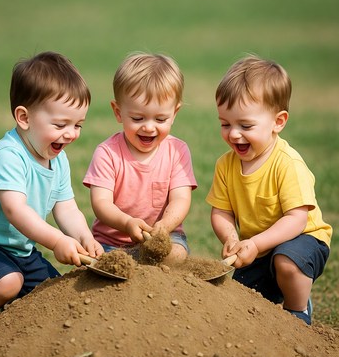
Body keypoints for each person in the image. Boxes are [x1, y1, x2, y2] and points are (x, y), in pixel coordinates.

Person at [0, 51, 103, 337]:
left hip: (20, 250)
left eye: (78, 125)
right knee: (8, 282)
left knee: (54, 295)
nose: (70, 134)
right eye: (60, 125)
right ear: (24, 117)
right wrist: (57, 240)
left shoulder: (58, 160)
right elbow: (14, 210)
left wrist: (84, 238)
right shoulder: (8, 155)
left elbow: (66, 208)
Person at [206, 55, 332, 325]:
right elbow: (221, 212)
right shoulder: (225, 165)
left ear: (278, 122)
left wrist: (256, 243)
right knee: (241, 297)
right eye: (225, 124)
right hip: (257, 247)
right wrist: (230, 237)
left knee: (286, 261)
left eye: (246, 126)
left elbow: (296, 220)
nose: (234, 134)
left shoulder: (287, 164)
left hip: (303, 239)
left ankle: (299, 310)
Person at [83, 52, 197, 265]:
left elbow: (181, 198)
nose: (148, 127)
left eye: (160, 119)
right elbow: (100, 202)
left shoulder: (177, 150)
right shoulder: (108, 152)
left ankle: (140, 263)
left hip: (164, 236)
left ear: (175, 113)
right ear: (118, 112)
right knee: (102, 261)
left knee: (176, 254)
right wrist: (127, 223)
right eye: (137, 118)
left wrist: (164, 225)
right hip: (112, 241)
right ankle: (129, 262)